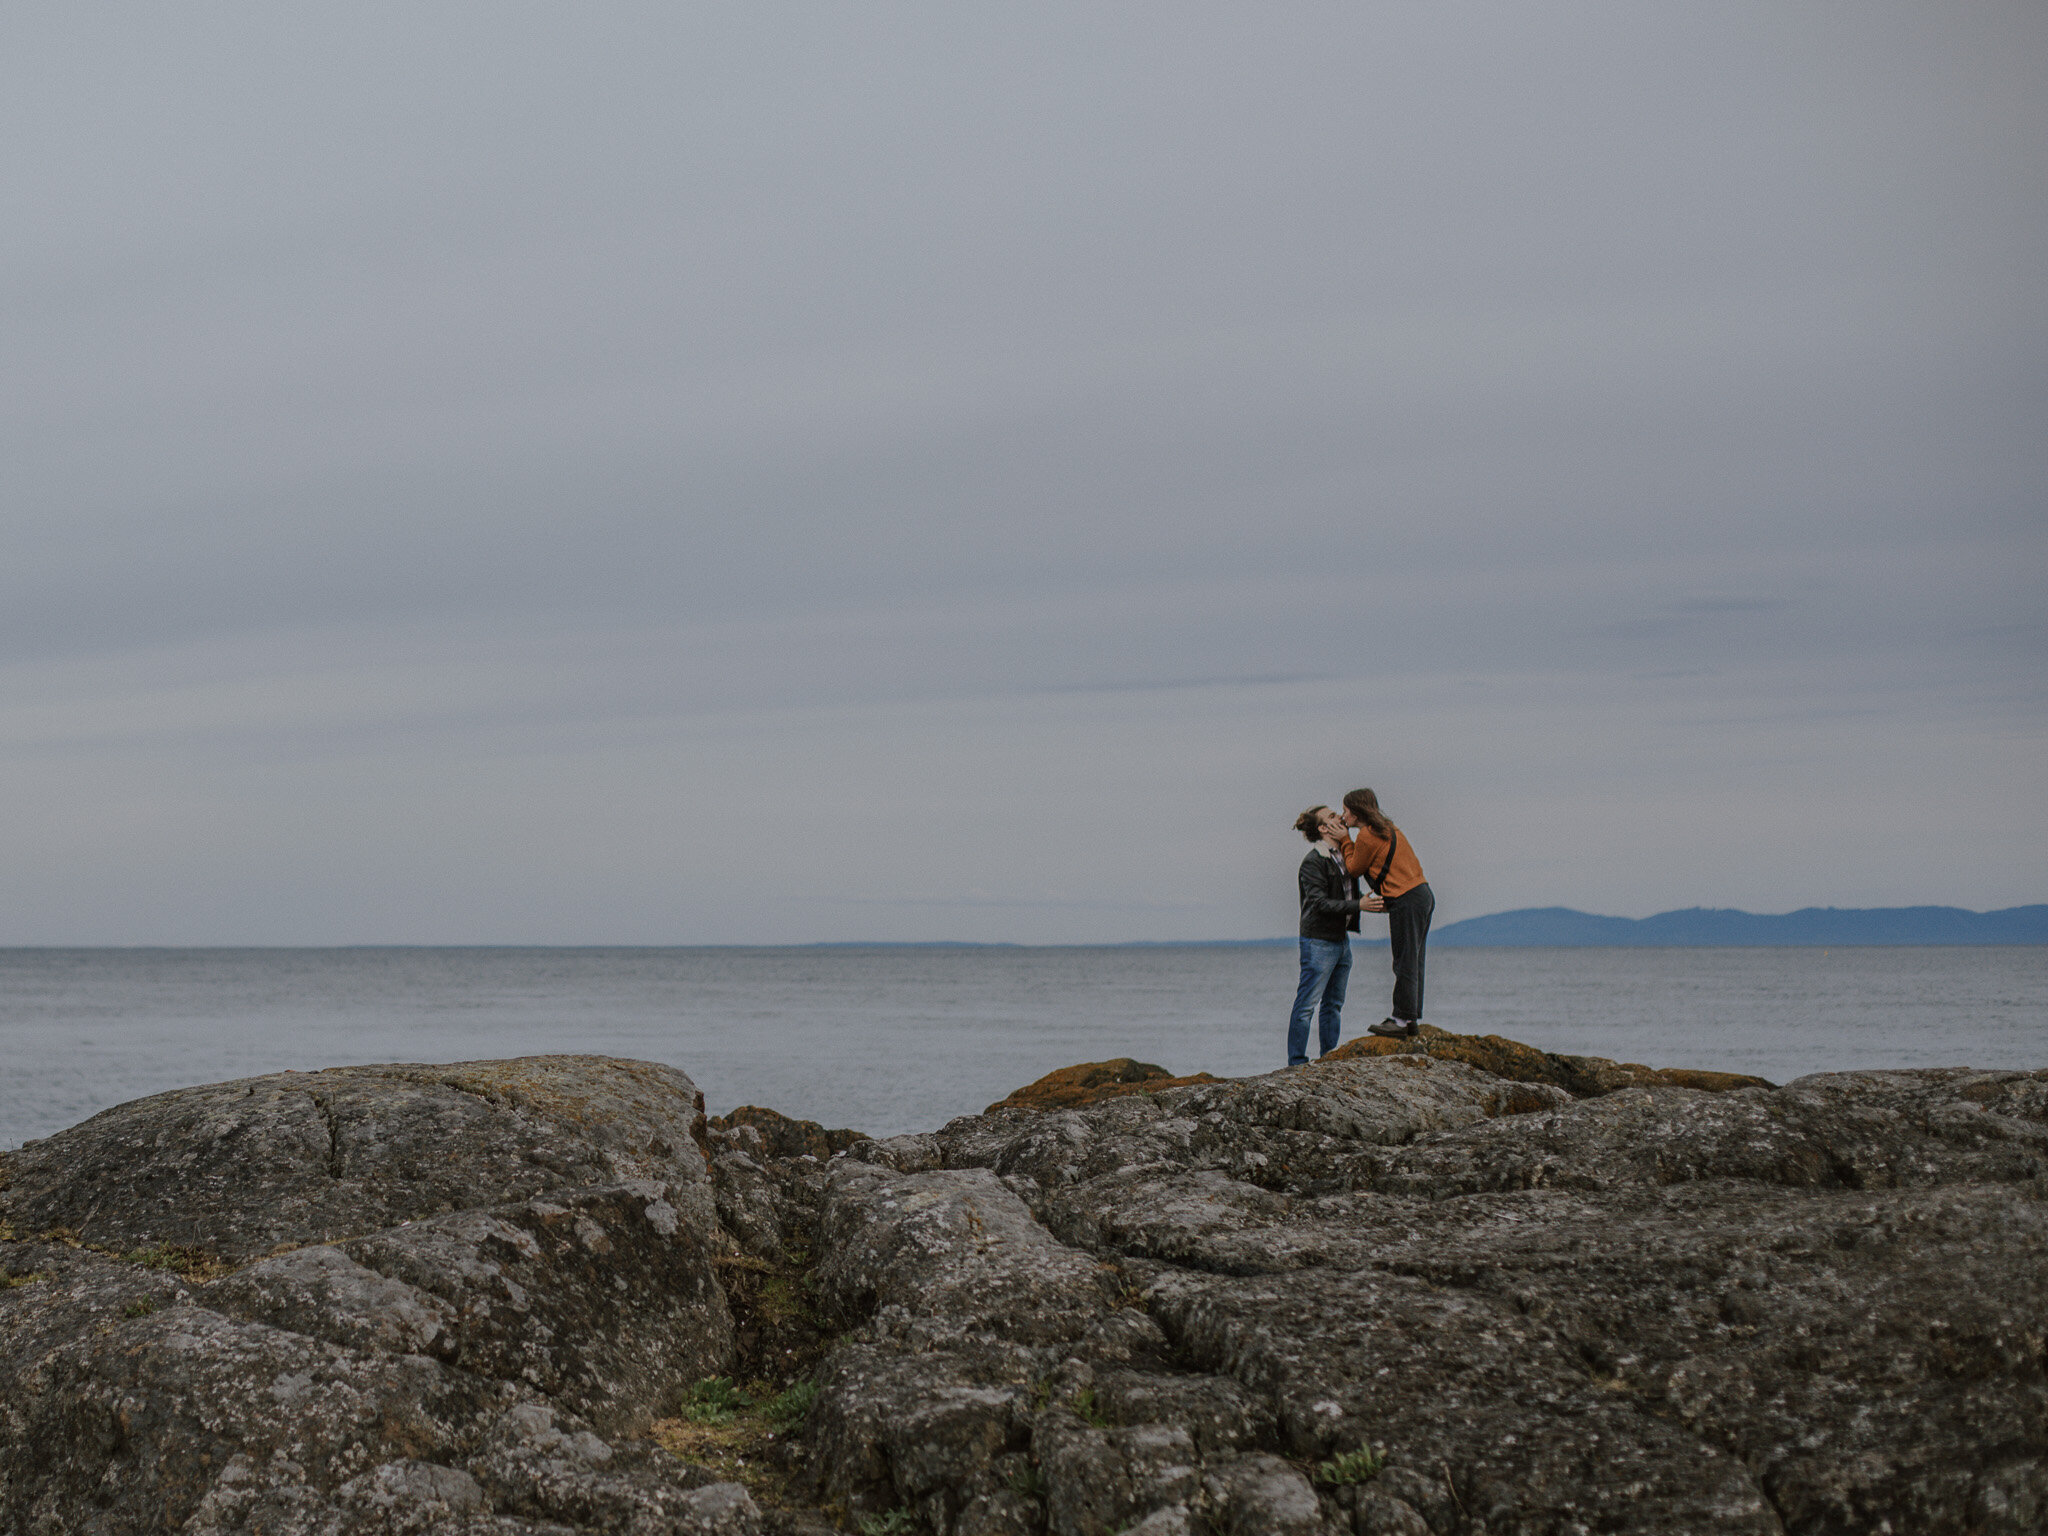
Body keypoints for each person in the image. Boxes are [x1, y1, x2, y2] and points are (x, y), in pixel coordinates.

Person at [1287, 804, 1386, 1066]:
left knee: (1333, 1005)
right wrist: (1359, 906)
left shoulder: (1341, 854)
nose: (1340, 817)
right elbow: (1319, 903)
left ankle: (1328, 1059)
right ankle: (1296, 1062)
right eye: (1332, 816)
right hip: (1318, 941)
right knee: (1307, 1005)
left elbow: (1352, 884)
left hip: (1341, 941)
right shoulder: (1313, 861)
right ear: (1322, 828)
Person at [1335, 788, 1434, 1039]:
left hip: (1407, 899)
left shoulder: (1367, 835)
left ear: (1357, 812)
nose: (1343, 815)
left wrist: (1345, 840)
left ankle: (1400, 1021)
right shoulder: (1388, 828)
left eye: (1346, 810)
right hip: (1421, 895)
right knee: (1413, 960)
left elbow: (1354, 868)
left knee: (1404, 961)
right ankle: (1409, 1018)